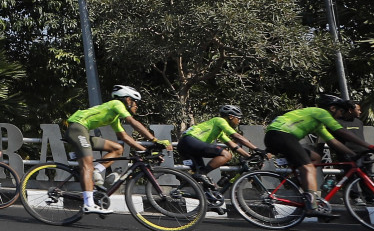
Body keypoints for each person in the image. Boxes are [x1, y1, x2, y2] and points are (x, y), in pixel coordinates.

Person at [264, 97, 374, 216]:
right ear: (332, 108)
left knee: (316, 158)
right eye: (341, 111)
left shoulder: (318, 124)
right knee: (308, 167)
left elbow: (333, 141)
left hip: (278, 136)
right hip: (281, 134)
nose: (341, 115)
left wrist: (354, 155)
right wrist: (370, 146)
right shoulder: (321, 112)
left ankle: (301, 183)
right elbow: (341, 131)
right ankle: (312, 206)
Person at [64, 85, 165, 214]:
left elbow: (125, 137)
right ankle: (88, 204)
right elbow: (132, 122)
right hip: (77, 128)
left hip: (82, 131)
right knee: (87, 165)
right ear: (128, 99)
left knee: (117, 148)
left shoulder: (114, 116)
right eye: (135, 102)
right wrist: (154, 140)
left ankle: (96, 171)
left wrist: (145, 150)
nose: (136, 106)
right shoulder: (116, 104)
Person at [178, 104, 260, 177]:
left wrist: (249, 157)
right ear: (231, 117)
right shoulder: (219, 120)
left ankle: (187, 186)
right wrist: (257, 149)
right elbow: (236, 136)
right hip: (190, 141)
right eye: (238, 118)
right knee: (226, 155)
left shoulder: (218, 131)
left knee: (201, 180)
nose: (239, 121)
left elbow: (233, 146)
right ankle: (202, 173)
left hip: (184, 146)